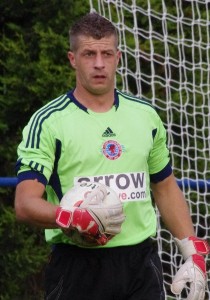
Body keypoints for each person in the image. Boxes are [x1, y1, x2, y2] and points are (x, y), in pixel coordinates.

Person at [14, 12, 209, 300]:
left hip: (141, 264)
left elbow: (165, 186)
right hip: (77, 266)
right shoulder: (48, 122)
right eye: (88, 54)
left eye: (106, 53)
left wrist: (192, 251)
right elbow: (25, 203)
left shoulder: (145, 116)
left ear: (118, 57)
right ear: (72, 58)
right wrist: (72, 217)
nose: (98, 63)